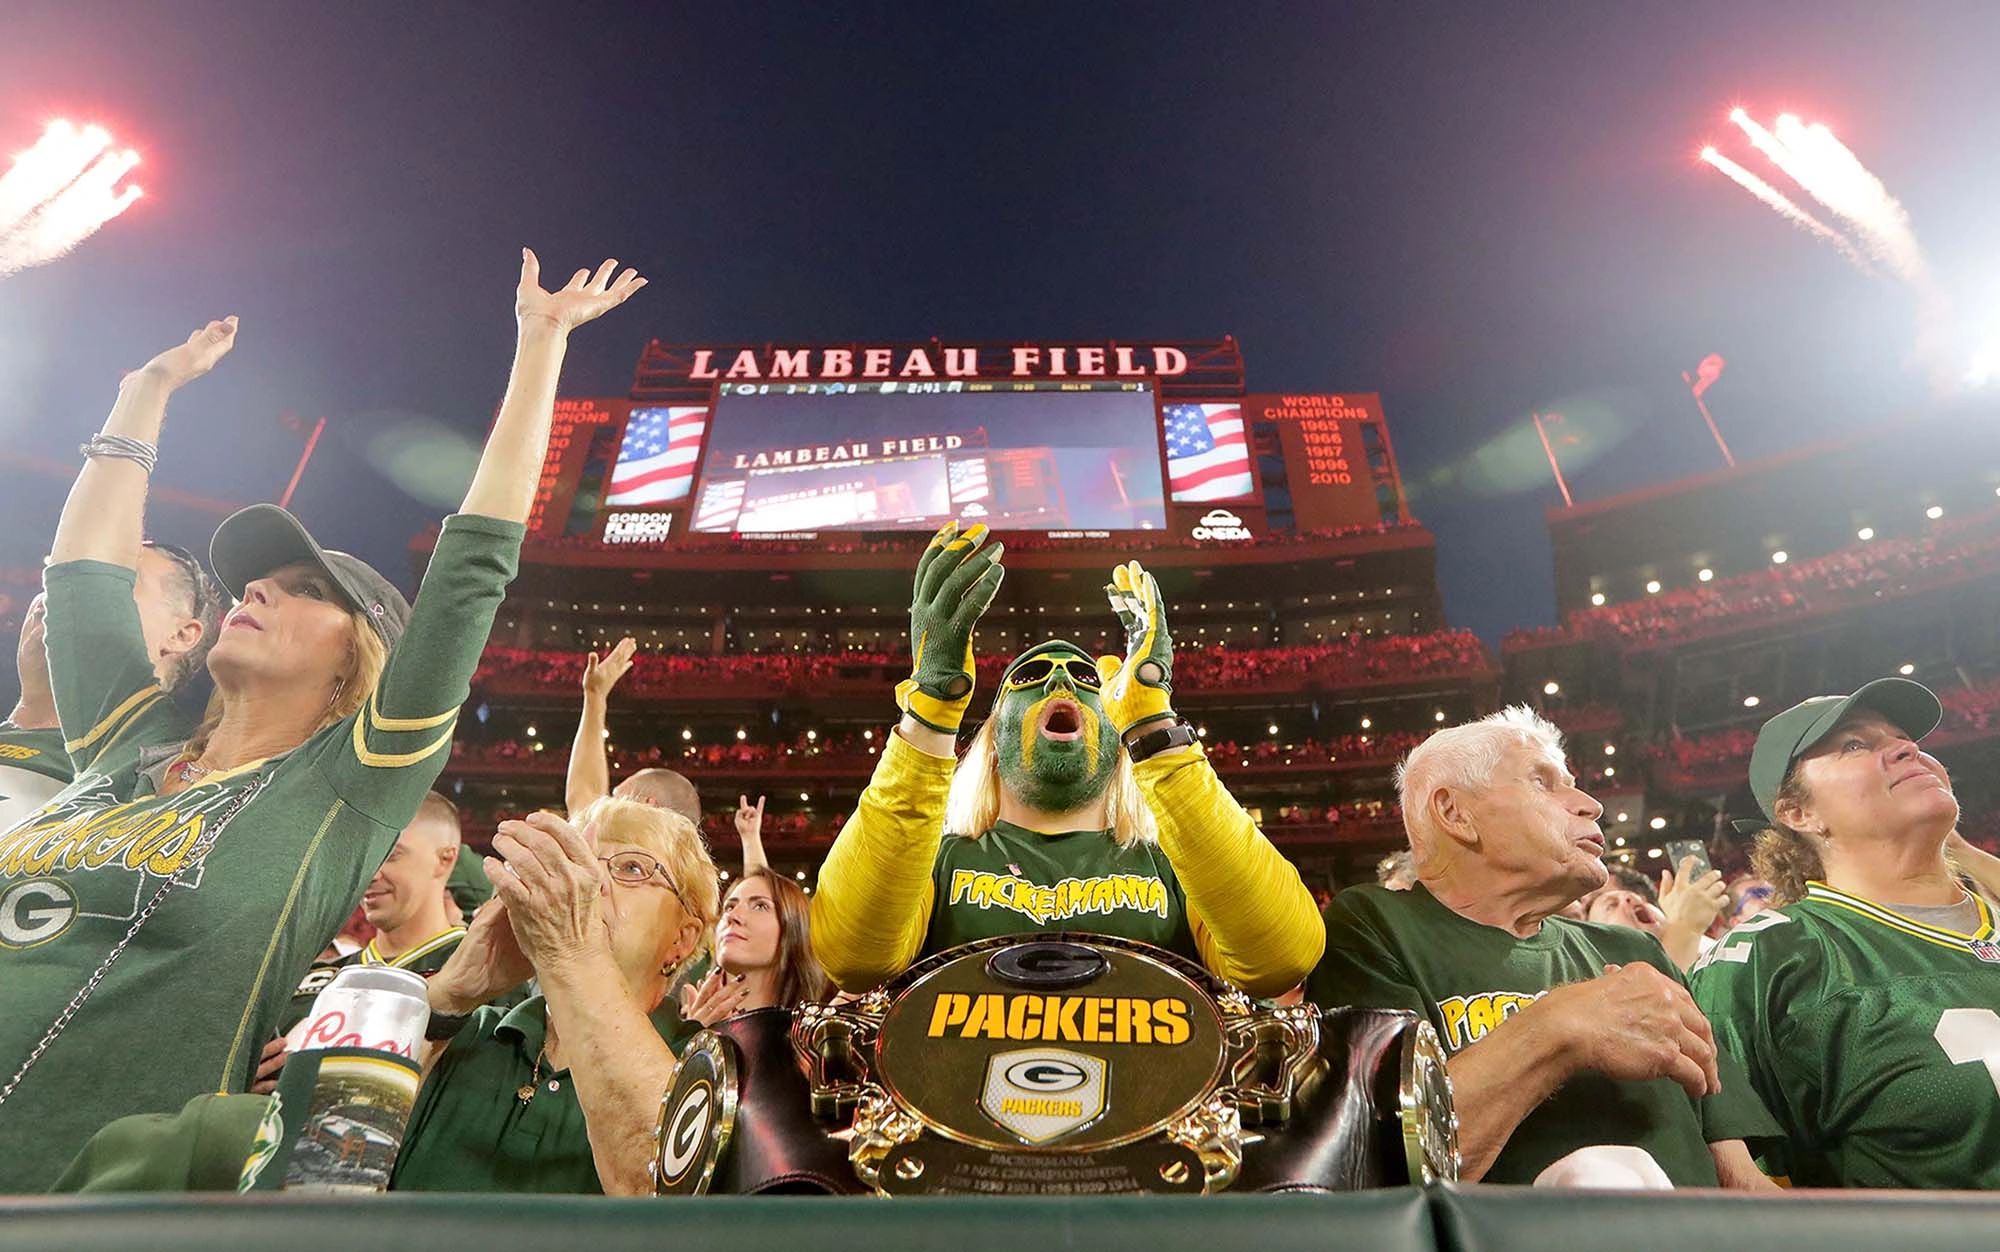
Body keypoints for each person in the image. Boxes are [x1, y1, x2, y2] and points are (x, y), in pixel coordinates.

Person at [0, 250, 646, 1190]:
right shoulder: (123, 745)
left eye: (306, 590)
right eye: (258, 578)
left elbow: (473, 568)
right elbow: (84, 577)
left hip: (91, 1194)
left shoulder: (342, 787)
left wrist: (540, 342)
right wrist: (144, 393)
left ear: (361, 659)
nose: (256, 587)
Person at [812, 525, 1323, 996]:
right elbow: (852, 956)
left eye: (1086, 679)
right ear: (992, 738)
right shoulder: (937, 861)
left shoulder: (1175, 866)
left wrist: (1152, 728)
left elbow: (1281, 957)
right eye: (1031, 674)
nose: (1061, 681)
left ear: (1116, 734)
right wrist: (929, 712)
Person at [1307, 707, 1778, 1188]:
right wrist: (1559, 1025)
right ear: (1455, 813)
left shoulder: (1636, 949)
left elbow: (1740, 1177)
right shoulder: (1373, 925)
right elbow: (1389, 1163)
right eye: (1543, 781)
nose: (1590, 804)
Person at [1691, 678, 2000, 1188]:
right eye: (1856, 744)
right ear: (1798, 813)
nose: (1908, 748)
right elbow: (1750, 1193)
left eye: (1905, 738)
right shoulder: (1773, 956)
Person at [394, 796, 717, 1194]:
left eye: (632, 868)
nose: (587, 883)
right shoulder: (467, 1031)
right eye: (575, 861)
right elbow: (338, 1146)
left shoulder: (705, 1062)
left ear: (681, 940)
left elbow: (659, 1192)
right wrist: (452, 994)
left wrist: (571, 954)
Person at [255, 791, 480, 1091]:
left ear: (444, 859)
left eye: (391, 855)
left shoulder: (485, 977)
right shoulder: (311, 982)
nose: (371, 873)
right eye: (365, 856)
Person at [0, 543, 222, 831]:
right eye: (60, 571)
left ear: (180, 634)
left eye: (114, 579)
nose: (64, 586)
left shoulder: (167, 776)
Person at [565, 634, 702, 828]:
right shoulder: (690, 858)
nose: (605, 805)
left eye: (616, 798)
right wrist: (595, 697)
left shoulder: (609, 850)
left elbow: (585, 803)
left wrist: (595, 698)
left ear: (647, 806)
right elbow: (585, 799)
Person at [678, 868, 830, 1026]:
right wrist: (695, 1044)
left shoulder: (821, 1039)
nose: (732, 916)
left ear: (794, 928)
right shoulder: (680, 1036)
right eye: (729, 907)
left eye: (760, 906)